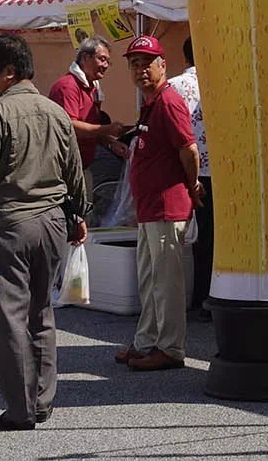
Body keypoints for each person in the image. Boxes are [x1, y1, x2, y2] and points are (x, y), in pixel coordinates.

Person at [0, 33, 89, 431]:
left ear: (9, 73)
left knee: (7, 317)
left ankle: (20, 408)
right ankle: (43, 400)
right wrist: (78, 215)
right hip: (51, 221)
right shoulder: (56, 113)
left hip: (10, 221)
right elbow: (75, 172)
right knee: (41, 311)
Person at [121, 34, 200, 370]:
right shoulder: (151, 102)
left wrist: (192, 183)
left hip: (167, 206)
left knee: (166, 283)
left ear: (162, 65)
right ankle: (147, 340)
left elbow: (189, 148)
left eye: (146, 63)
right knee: (151, 279)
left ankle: (170, 347)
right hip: (151, 207)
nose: (140, 70)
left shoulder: (167, 101)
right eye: (134, 63)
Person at [44, 37, 129, 225]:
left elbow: (90, 127)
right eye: (102, 59)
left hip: (82, 168)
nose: (106, 65)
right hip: (64, 173)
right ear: (85, 57)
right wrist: (108, 128)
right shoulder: (68, 86)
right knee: (72, 222)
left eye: (108, 61)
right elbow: (71, 126)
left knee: (84, 219)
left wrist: (110, 142)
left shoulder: (91, 88)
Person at [170, 34, 212, 314]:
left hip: (180, 170)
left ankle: (183, 299)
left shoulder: (173, 86)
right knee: (210, 239)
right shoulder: (220, 82)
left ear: (185, 57)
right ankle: (206, 296)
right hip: (215, 172)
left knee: (179, 239)